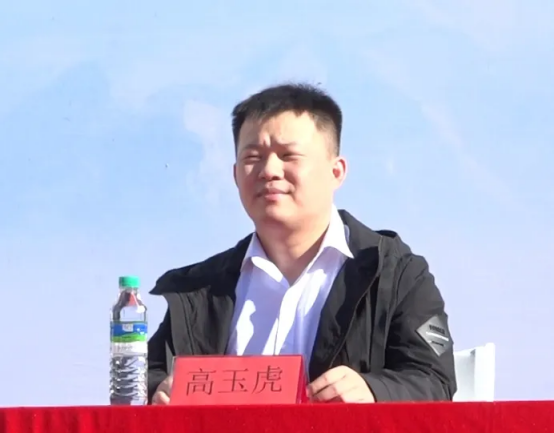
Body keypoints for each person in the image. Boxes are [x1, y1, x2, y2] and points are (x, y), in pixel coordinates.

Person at [147, 83, 457, 404]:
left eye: (288, 156)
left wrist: (374, 391)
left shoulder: (395, 275)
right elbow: (144, 373)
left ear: (336, 172)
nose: (269, 171)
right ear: (236, 175)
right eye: (253, 157)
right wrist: (159, 389)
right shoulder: (199, 290)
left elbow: (434, 380)